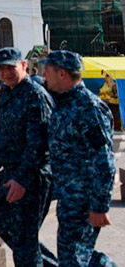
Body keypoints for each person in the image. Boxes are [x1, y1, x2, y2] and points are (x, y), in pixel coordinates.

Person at [0, 47, 57, 267]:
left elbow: (38, 146)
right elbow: (5, 134)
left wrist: (23, 180)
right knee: (5, 226)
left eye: (11, 68)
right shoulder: (7, 93)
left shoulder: (35, 96)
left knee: (24, 241)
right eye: (2, 69)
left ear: (23, 65)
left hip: (31, 176)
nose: (6, 73)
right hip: (9, 172)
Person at [40, 50, 116, 266]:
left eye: (48, 71)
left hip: (84, 200)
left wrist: (99, 205)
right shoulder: (63, 104)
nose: (44, 75)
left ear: (62, 73)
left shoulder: (88, 108)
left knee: (73, 258)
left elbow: (104, 160)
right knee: (73, 256)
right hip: (69, 198)